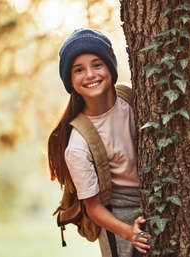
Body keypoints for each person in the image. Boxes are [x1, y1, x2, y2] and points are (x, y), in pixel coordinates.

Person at [47, 28, 150, 256]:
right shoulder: (78, 144)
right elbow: (93, 207)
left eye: (97, 64)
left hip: (155, 200)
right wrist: (128, 232)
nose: (90, 75)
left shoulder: (131, 98)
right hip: (118, 218)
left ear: (110, 67)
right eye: (79, 70)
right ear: (70, 80)